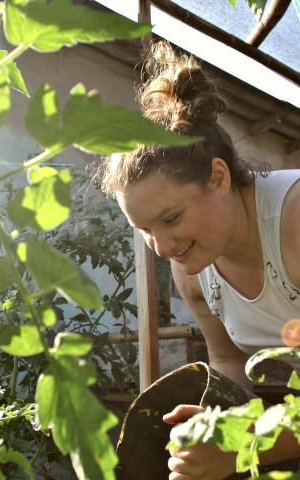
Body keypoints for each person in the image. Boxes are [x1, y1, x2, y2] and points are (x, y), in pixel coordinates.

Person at [97, 41, 300, 479]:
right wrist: (210, 424)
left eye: (170, 219)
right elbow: (228, 361)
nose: (162, 247)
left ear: (218, 178)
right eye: (145, 230)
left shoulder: (295, 222)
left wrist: (242, 446)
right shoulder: (193, 269)